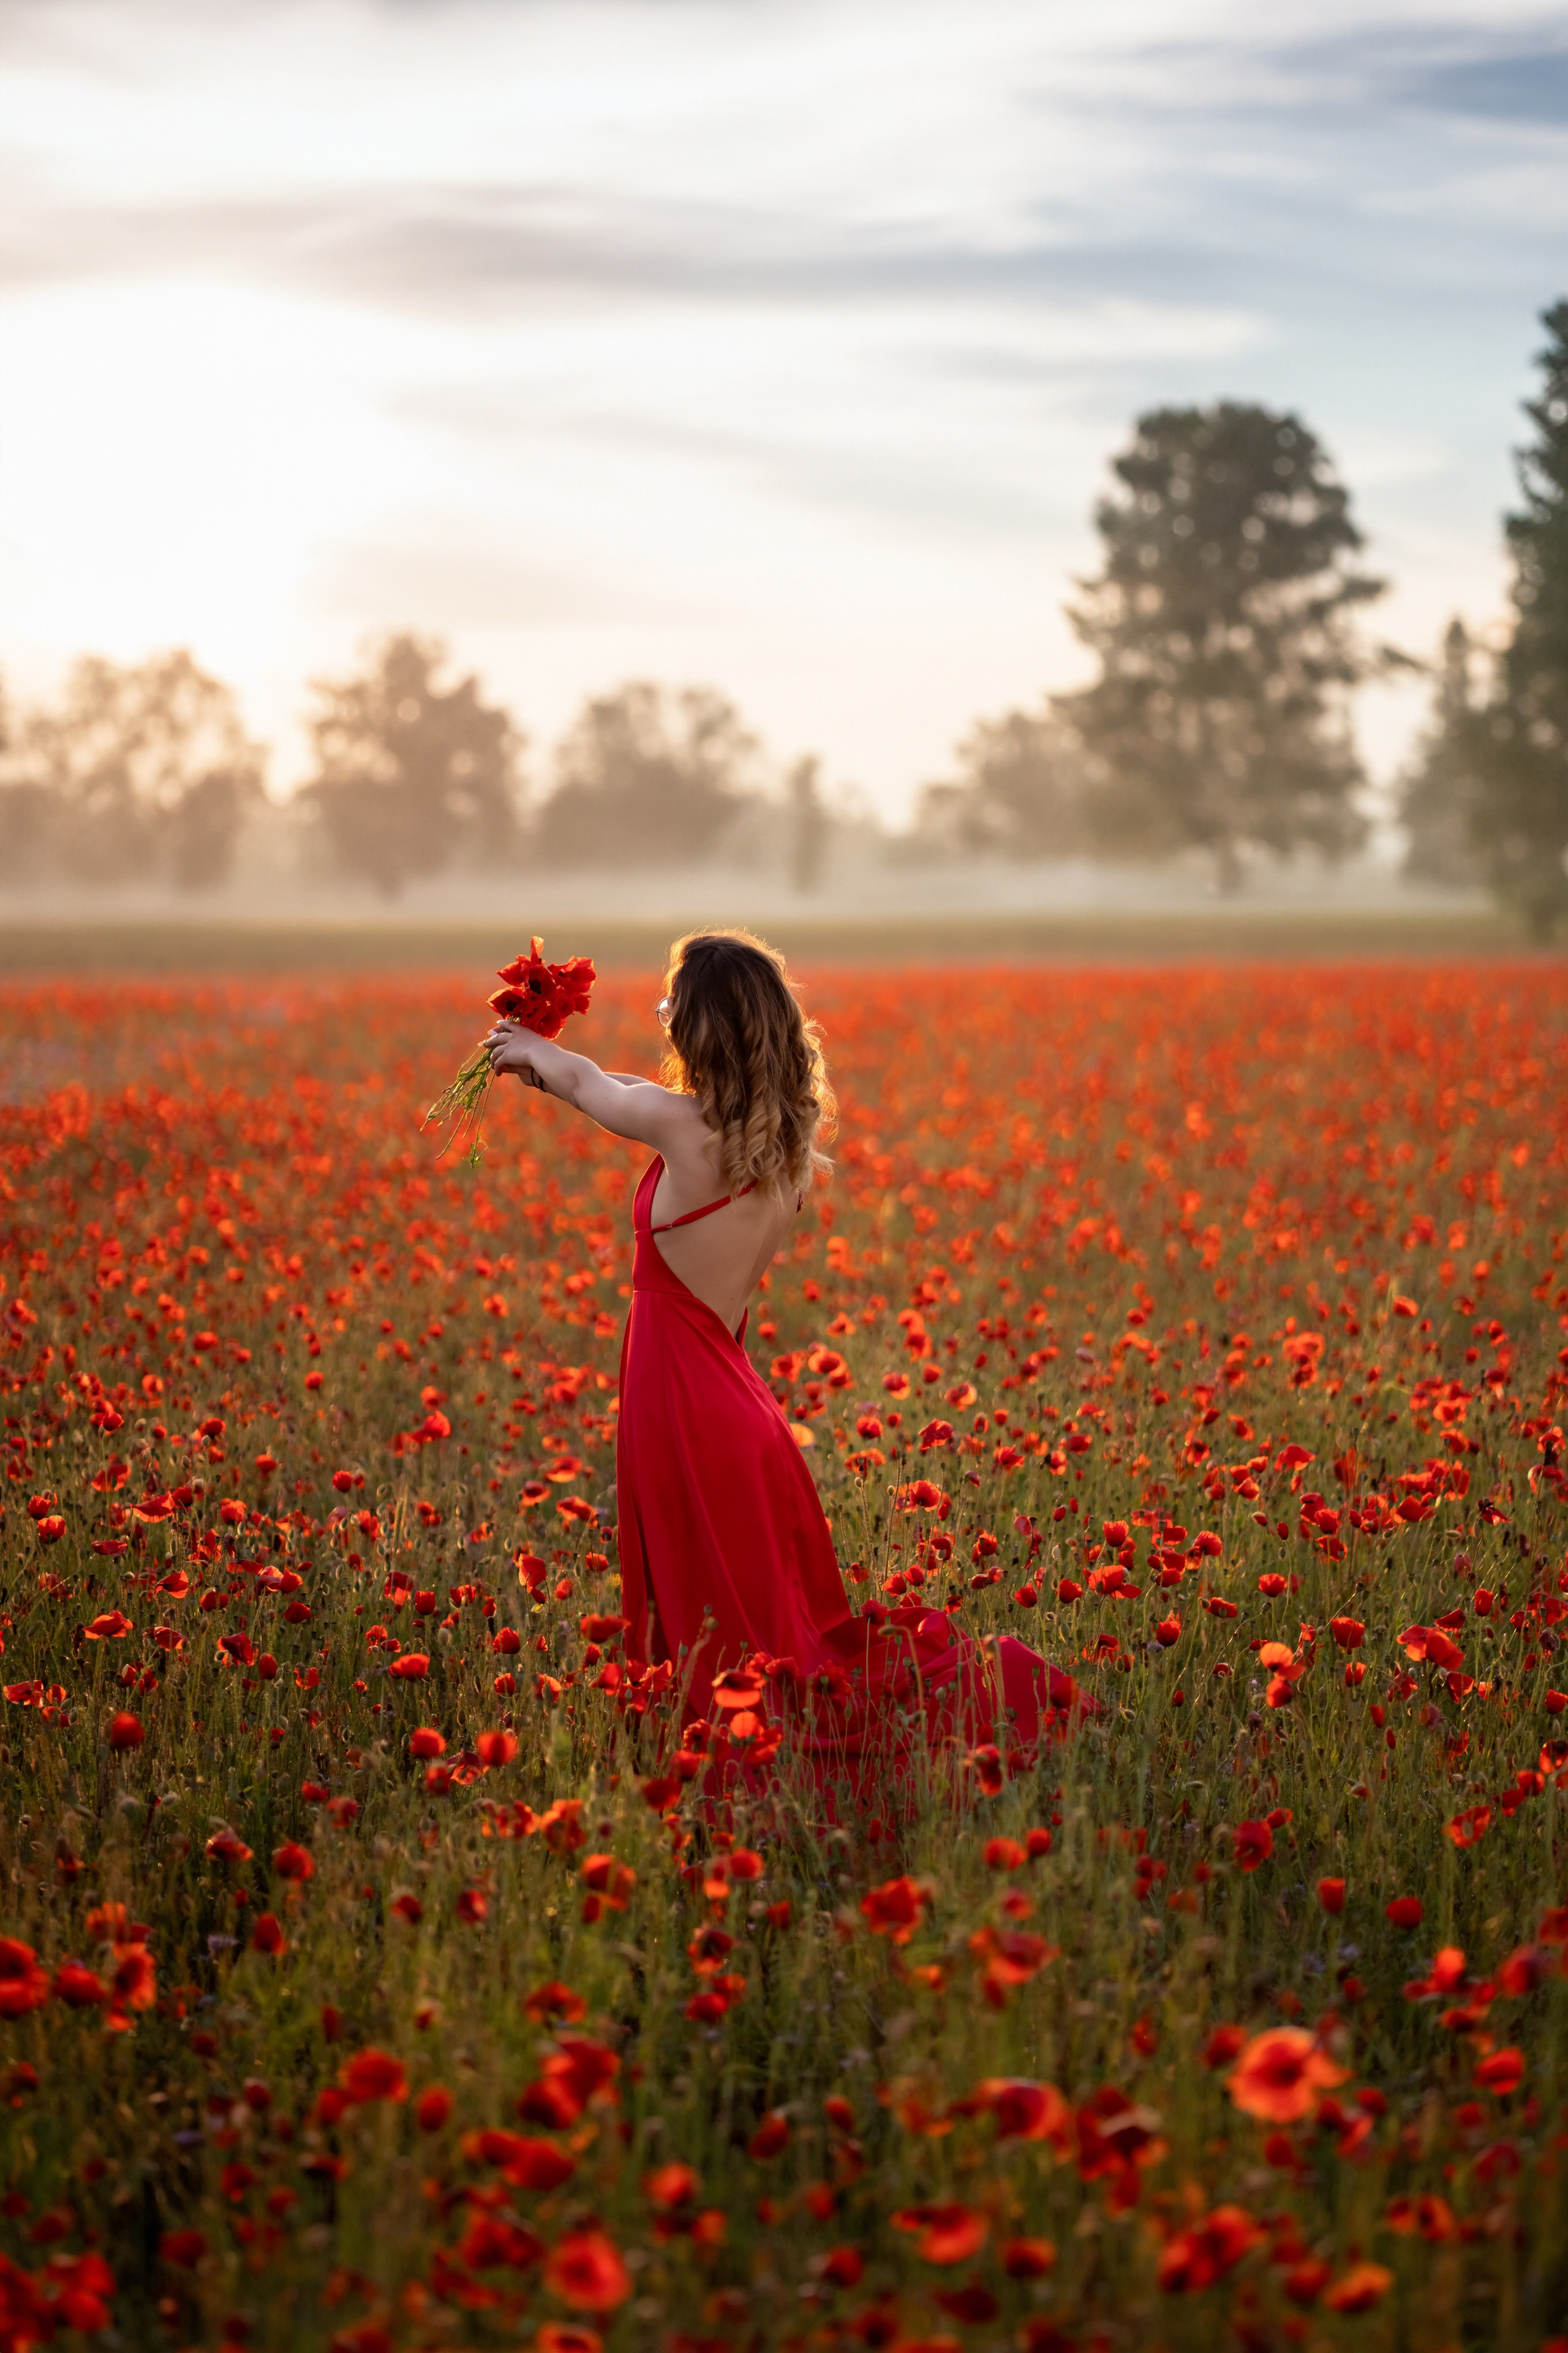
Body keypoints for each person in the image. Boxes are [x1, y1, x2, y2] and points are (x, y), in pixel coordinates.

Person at [487, 927, 1081, 1783]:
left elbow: (588, 1082)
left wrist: (524, 1047)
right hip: (738, 1407)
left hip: (688, 1406)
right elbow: (609, 1081)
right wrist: (538, 1051)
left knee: (714, 1628)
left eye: (671, 1002)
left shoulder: (682, 1129)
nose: (658, 1010)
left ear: (700, 1027)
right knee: (748, 1636)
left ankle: (731, 1777)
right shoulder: (780, 1152)